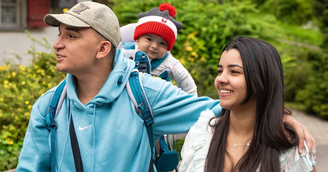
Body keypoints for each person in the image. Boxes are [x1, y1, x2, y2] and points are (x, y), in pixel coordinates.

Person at [16, 2, 314, 172]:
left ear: (103, 48)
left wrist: (280, 116)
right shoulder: (50, 105)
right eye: (59, 34)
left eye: (71, 36)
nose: (56, 44)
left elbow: (223, 106)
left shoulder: (144, 94)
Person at [179, 36, 317, 172]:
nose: (220, 78)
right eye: (220, 71)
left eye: (234, 72)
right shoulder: (201, 135)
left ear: (261, 79)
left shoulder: (290, 149)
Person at [120, 3, 197, 94]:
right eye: (149, 39)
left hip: (157, 101)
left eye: (162, 43)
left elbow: (186, 81)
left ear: (168, 48)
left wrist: (191, 102)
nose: (155, 46)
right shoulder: (126, 51)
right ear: (137, 39)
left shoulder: (169, 62)